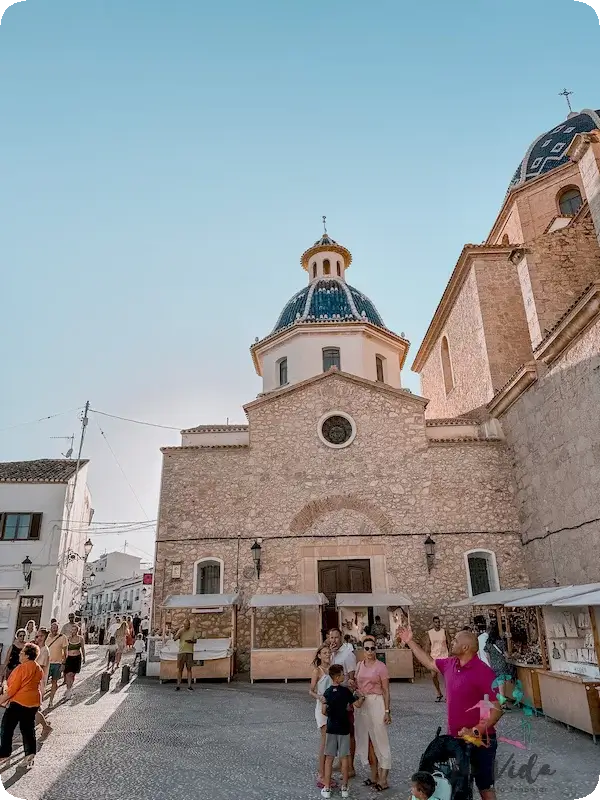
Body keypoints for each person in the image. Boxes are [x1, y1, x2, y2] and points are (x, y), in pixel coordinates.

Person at [398, 626, 503, 800]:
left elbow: (497, 709)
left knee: (485, 787)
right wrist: (410, 641)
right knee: (456, 788)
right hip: (455, 742)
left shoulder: (484, 672)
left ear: (465, 648)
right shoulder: (449, 664)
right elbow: (429, 662)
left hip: (482, 741)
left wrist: (475, 730)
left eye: (455, 640)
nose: (450, 642)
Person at [354, 635, 392, 790]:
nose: (370, 651)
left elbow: (386, 691)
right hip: (362, 704)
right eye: (367, 648)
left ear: (376, 649)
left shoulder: (381, 666)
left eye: (372, 648)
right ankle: (374, 775)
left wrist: (387, 711)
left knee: (380, 739)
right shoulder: (359, 665)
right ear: (363, 650)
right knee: (366, 740)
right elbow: (357, 684)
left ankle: (384, 779)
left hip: (376, 702)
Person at [320, 664, 364, 799]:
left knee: (329, 758)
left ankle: (327, 787)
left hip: (332, 727)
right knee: (344, 758)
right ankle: (344, 787)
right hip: (345, 728)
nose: (345, 676)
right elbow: (357, 704)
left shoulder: (327, 692)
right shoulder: (346, 692)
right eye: (343, 674)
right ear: (338, 677)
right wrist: (361, 697)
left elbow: (323, 711)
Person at [0, 642, 43, 768]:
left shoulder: (21, 668)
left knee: (7, 727)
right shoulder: (37, 668)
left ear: (27, 655)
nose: (20, 654)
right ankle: (30, 754)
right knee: (28, 728)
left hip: (20, 701)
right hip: (34, 701)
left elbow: (12, 689)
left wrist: (1, 700)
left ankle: (4, 754)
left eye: (22, 652)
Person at [327, 628, 357, 776]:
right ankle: (341, 761)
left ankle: (350, 766)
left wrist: (349, 702)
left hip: (345, 699)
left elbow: (352, 679)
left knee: (349, 733)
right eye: (331, 638)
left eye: (336, 637)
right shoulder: (331, 654)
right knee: (338, 732)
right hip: (335, 700)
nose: (334, 640)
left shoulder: (348, 655)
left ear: (341, 638)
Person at [309, 644, 333, 790]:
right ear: (319, 655)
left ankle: (327, 772)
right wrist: (319, 697)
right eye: (324, 653)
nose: (327, 654)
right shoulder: (317, 671)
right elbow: (310, 691)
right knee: (325, 741)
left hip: (333, 709)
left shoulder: (333, 669)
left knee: (331, 741)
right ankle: (321, 773)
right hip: (321, 708)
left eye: (328, 652)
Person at [484, 622, 513, 702]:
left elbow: (487, 655)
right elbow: (506, 654)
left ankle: (502, 700)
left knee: (499, 683)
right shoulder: (500, 642)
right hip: (501, 664)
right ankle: (502, 702)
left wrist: (491, 664)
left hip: (493, 665)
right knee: (501, 683)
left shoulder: (488, 643)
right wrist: (510, 656)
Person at [425, 616, 450, 702]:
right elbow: (428, 645)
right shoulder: (430, 633)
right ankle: (439, 692)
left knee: (446, 677)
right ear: (433, 623)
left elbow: (449, 643)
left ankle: (448, 694)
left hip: (444, 656)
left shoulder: (444, 631)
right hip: (434, 657)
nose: (438, 624)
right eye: (436, 622)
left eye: (439, 622)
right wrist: (426, 656)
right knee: (433, 676)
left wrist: (450, 655)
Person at [33, 628, 52, 738]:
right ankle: (45, 725)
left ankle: (46, 726)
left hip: (38, 682)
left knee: (34, 708)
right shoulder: (37, 648)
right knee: (34, 708)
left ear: (45, 637)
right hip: (33, 681)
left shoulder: (44, 650)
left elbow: (39, 667)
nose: (38, 638)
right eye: (37, 636)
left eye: (40, 636)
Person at [45, 622, 68, 708]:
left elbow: (65, 652)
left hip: (57, 663)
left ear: (58, 628)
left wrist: (64, 663)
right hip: (47, 663)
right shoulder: (46, 637)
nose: (54, 629)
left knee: (54, 682)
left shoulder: (62, 637)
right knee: (44, 682)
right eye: (53, 628)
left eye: (56, 628)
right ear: (50, 628)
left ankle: (51, 701)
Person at [173, 617, 197, 691]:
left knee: (189, 669)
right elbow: (175, 639)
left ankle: (189, 685)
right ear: (183, 625)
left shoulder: (193, 630)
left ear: (189, 625)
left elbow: (195, 640)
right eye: (185, 625)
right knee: (180, 669)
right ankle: (178, 685)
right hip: (181, 651)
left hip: (189, 651)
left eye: (187, 625)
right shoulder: (181, 630)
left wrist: (191, 641)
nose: (186, 626)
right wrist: (178, 633)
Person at [63, 627, 86, 701]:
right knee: (67, 674)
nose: (73, 631)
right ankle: (68, 689)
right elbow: (65, 649)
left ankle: (70, 688)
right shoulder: (68, 638)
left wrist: (84, 657)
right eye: (72, 629)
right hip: (69, 658)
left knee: (72, 675)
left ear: (77, 630)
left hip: (77, 658)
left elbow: (82, 648)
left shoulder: (81, 639)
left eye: (75, 630)